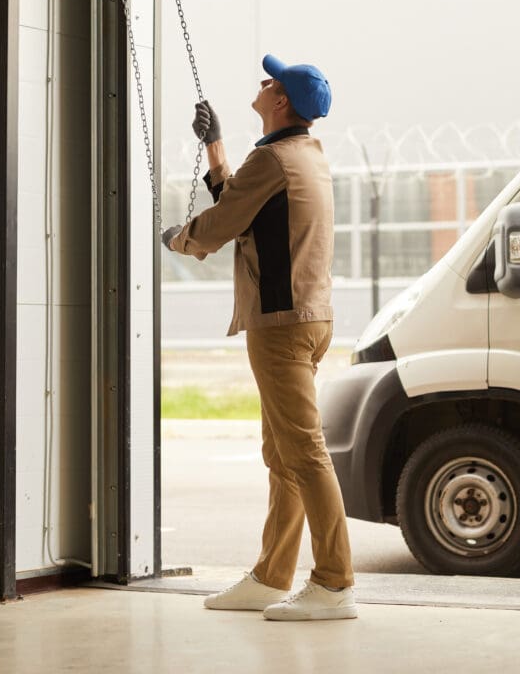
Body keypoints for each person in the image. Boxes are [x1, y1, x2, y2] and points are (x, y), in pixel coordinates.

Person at [162, 54, 356, 621]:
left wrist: (178, 239)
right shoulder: (305, 154)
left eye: (272, 80)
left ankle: (334, 583)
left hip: (280, 327)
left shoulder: (272, 159)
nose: (264, 81)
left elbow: (222, 224)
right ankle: (272, 576)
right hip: (309, 320)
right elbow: (245, 204)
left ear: (281, 102)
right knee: (283, 453)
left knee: (305, 454)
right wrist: (215, 147)